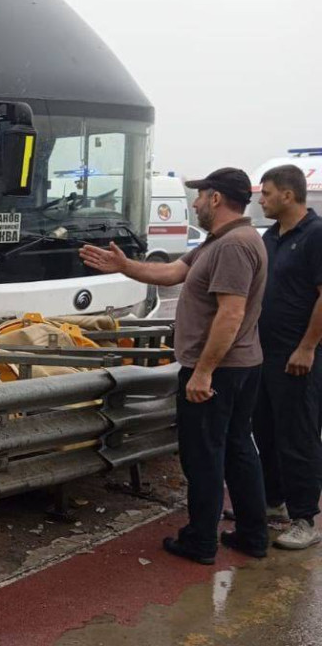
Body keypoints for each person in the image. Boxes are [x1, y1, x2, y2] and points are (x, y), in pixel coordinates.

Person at [80, 167, 269, 563]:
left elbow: (230, 314)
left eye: (200, 196)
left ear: (216, 199)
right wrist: (124, 266)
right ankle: (253, 535)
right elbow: (172, 272)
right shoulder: (220, 242)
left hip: (218, 369)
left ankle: (200, 541)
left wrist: (203, 371)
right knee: (236, 447)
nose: (196, 203)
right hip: (240, 366)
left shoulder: (233, 246)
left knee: (204, 456)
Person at [252, 164, 322, 550]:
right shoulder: (270, 236)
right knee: (266, 430)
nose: (261, 200)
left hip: (299, 356)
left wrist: (307, 346)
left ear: (288, 195)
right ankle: (273, 501)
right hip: (265, 354)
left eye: (266, 193)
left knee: (298, 436)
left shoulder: (316, 235)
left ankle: (304, 518)